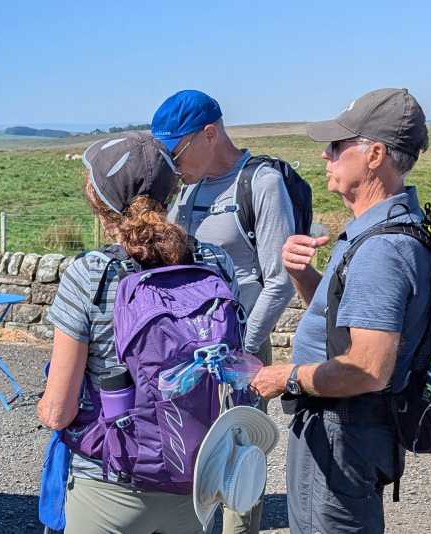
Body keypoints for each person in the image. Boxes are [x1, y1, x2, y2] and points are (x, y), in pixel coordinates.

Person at [37, 132, 240, 534]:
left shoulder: (92, 274)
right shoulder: (216, 264)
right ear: (172, 192)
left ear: (100, 203)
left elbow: (59, 411)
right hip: (194, 483)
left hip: (108, 487)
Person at [250, 88, 431, 533]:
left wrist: (286, 376)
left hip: (343, 425)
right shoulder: (379, 232)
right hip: (345, 423)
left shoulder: (382, 250)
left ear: (374, 155)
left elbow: (368, 369)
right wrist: (302, 274)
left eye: (337, 146)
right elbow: (343, 325)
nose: (327, 156)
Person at [151, 89, 297, 534]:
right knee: (191, 455)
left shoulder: (262, 183)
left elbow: (280, 279)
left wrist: (246, 350)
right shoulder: (187, 188)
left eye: (174, 151)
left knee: (238, 467)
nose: (171, 165)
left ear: (209, 134)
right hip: (193, 348)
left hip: (241, 348)